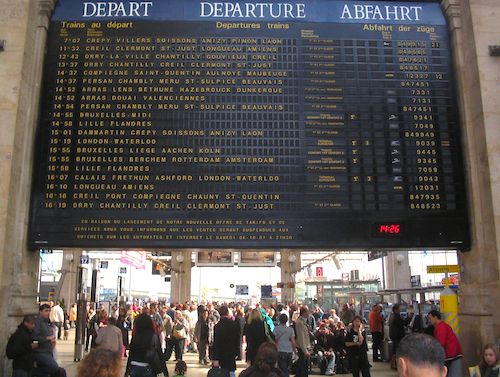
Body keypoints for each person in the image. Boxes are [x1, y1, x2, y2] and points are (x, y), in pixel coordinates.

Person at [126, 313, 168, 377]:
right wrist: (165, 372)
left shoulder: (135, 336)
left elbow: (131, 354)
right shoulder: (154, 336)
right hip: (149, 365)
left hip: (135, 366)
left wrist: (127, 372)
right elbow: (160, 354)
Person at [33, 303, 67, 377]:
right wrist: (47, 338)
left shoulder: (48, 321)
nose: (48, 313)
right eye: (46, 311)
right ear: (40, 312)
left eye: (49, 311)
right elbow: (35, 337)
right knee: (54, 368)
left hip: (49, 350)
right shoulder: (38, 322)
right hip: (41, 351)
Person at [427, 310, 463, 377]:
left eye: (430, 318)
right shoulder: (441, 326)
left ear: (435, 317)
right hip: (452, 352)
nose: (429, 320)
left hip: (449, 353)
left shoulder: (441, 327)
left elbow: (441, 342)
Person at [212, 305, 241, 377]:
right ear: (227, 313)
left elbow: (216, 343)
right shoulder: (234, 324)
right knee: (231, 371)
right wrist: (237, 352)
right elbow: (237, 340)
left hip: (221, 353)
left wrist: (215, 358)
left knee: (222, 372)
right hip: (231, 352)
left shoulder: (217, 326)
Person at [295, 306, 312, 377]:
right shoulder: (300, 323)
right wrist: (305, 351)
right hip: (302, 349)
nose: (309, 313)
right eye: (308, 311)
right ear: (304, 313)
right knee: (303, 369)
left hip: (307, 347)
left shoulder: (305, 322)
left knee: (304, 368)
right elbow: (301, 338)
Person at [389, 304, 407, 368]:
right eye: (399, 309)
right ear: (396, 310)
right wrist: (410, 317)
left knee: (394, 351)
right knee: (397, 351)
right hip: (398, 336)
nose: (400, 310)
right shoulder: (396, 317)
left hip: (393, 336)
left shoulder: (391, 316)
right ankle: (396, 364)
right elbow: (403, 323)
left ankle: (393, 364)